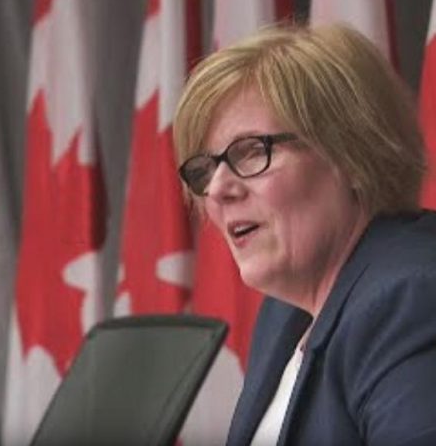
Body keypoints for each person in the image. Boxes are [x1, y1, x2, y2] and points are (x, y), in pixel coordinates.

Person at [174, 23, 436, 446]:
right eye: (206, 170)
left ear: (351, 153)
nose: (218, 189)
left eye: (252, 151)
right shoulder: (285, 314)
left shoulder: (413, 299)